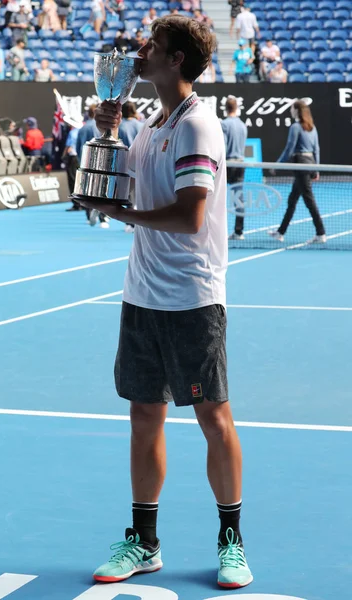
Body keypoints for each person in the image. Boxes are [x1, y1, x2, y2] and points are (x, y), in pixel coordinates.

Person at [82, 14, 253, 589]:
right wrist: (110, 131)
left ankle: (232, 542)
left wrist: (124, 217)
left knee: (213, 419)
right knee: (144, 418)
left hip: (192, 300)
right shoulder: (154, 124)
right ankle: (144, 543)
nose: (140, 52)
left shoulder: (196, 127)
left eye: (152, 46)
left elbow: (190, 214)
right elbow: (122, 181)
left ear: (175, 59)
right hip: (142, 296)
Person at [269, 100, 326, 244]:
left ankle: (321, 233)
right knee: (292, 199)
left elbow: (290, 148)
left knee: (309, 201)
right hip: (309, 165)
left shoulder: (295, 127)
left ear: (297, 111)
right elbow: (316, 150)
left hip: (301, 166)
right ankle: (280, 232)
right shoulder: (312, 128)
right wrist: (316, 169)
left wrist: (277, 165)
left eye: (292, 109)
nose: (290, 111)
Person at [221, 96, 247, 240]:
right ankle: (239, 232)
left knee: (217, 198)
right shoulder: (243, 125)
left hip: (228, 164)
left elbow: (223, 147)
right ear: (236, 108)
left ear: (226, 108)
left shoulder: (224, 124)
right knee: (239, 198)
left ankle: (216, 231)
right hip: (240, 163)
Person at [118, 101, 143, 233]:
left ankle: (131, 221)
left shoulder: (120, 127)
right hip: (142, 162)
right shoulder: (142, 126)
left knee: (128, 192)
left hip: (125, 161)